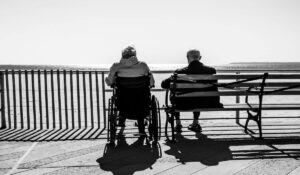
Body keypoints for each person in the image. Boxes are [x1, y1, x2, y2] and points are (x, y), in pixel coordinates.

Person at [161, 49, 222, 132]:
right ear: (200, 58)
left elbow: (163, 84)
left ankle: (178, 123)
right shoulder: (211, 71)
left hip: (182, 104)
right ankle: (195, 123)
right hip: (207, 103)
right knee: (198, 96)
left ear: (187, 58)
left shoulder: (179, 72)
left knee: (174, 92)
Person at [105, 45, 155, 136]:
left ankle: (121, 119)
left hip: (123, 102)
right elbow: (151, 81)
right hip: (141, 101)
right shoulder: (143, 65)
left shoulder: (116, 66)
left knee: (123, 96)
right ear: (135, 54)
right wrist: (151, 85)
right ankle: (141, 130)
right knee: (139, 99)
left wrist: (108, 80)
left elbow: (109, 82)